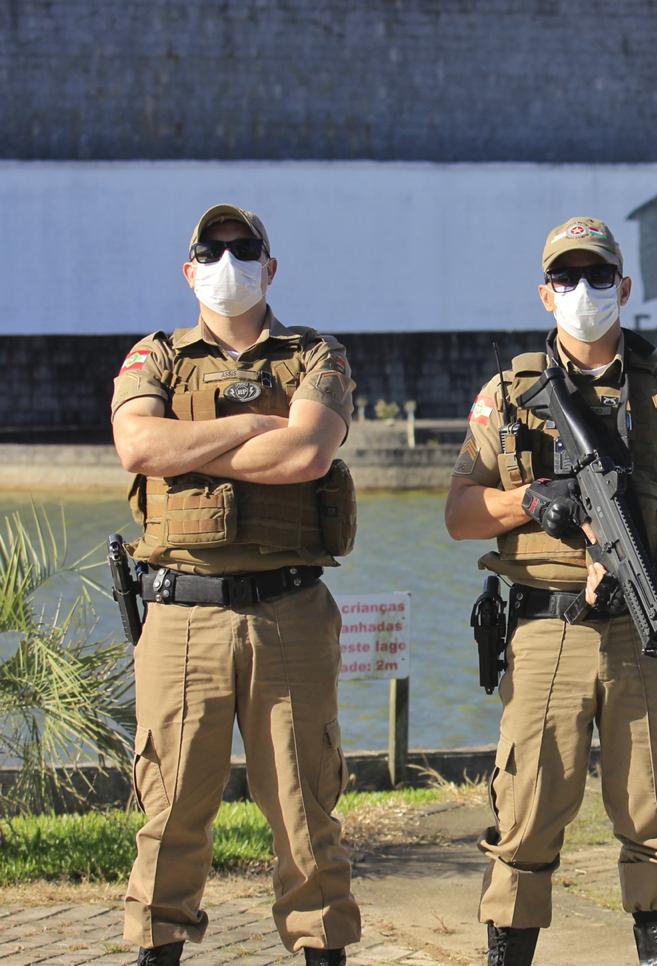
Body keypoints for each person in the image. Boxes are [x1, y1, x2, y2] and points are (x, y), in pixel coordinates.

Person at [445, 216, 657, 966]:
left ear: (625, 288)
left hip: (645, 625)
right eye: (567, 278)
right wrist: (531, 501)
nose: (583, 292)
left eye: (598, 276)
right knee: (527, 816)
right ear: (545, 293)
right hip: (548, 631)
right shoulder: (508, 396)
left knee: (656, 816)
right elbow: (459, 513)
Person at [111, 204, 360, 966]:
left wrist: (191, 450)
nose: (229, 262)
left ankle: (321, 951)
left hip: (288, 613)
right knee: (171, 814)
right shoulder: (155, 357)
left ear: (270, 266)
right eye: (212, 251)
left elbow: (306, 457)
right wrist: (253, 429)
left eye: (244, 249)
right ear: (189, 270)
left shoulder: (316, 355)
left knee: (304, 814)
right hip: (182, 615)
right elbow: (136, 444)